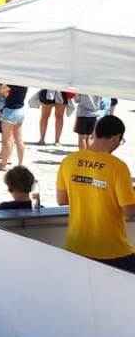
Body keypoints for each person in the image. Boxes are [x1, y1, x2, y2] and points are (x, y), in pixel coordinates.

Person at [56, 115, 135, 273]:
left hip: (76, 247)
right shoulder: (118, 167)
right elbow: (130, 212)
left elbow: (62, 199)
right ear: (116, 137)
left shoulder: (68, 161)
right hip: (111, 251)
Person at [0, 84, 28, 170]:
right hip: (20, 110)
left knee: (6, 139)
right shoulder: (25, 83)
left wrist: (3, 87)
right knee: (19, 139)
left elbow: (1, 91)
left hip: (10, 111)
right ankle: (21, 163)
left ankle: (3, 164)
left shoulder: (12, 82)